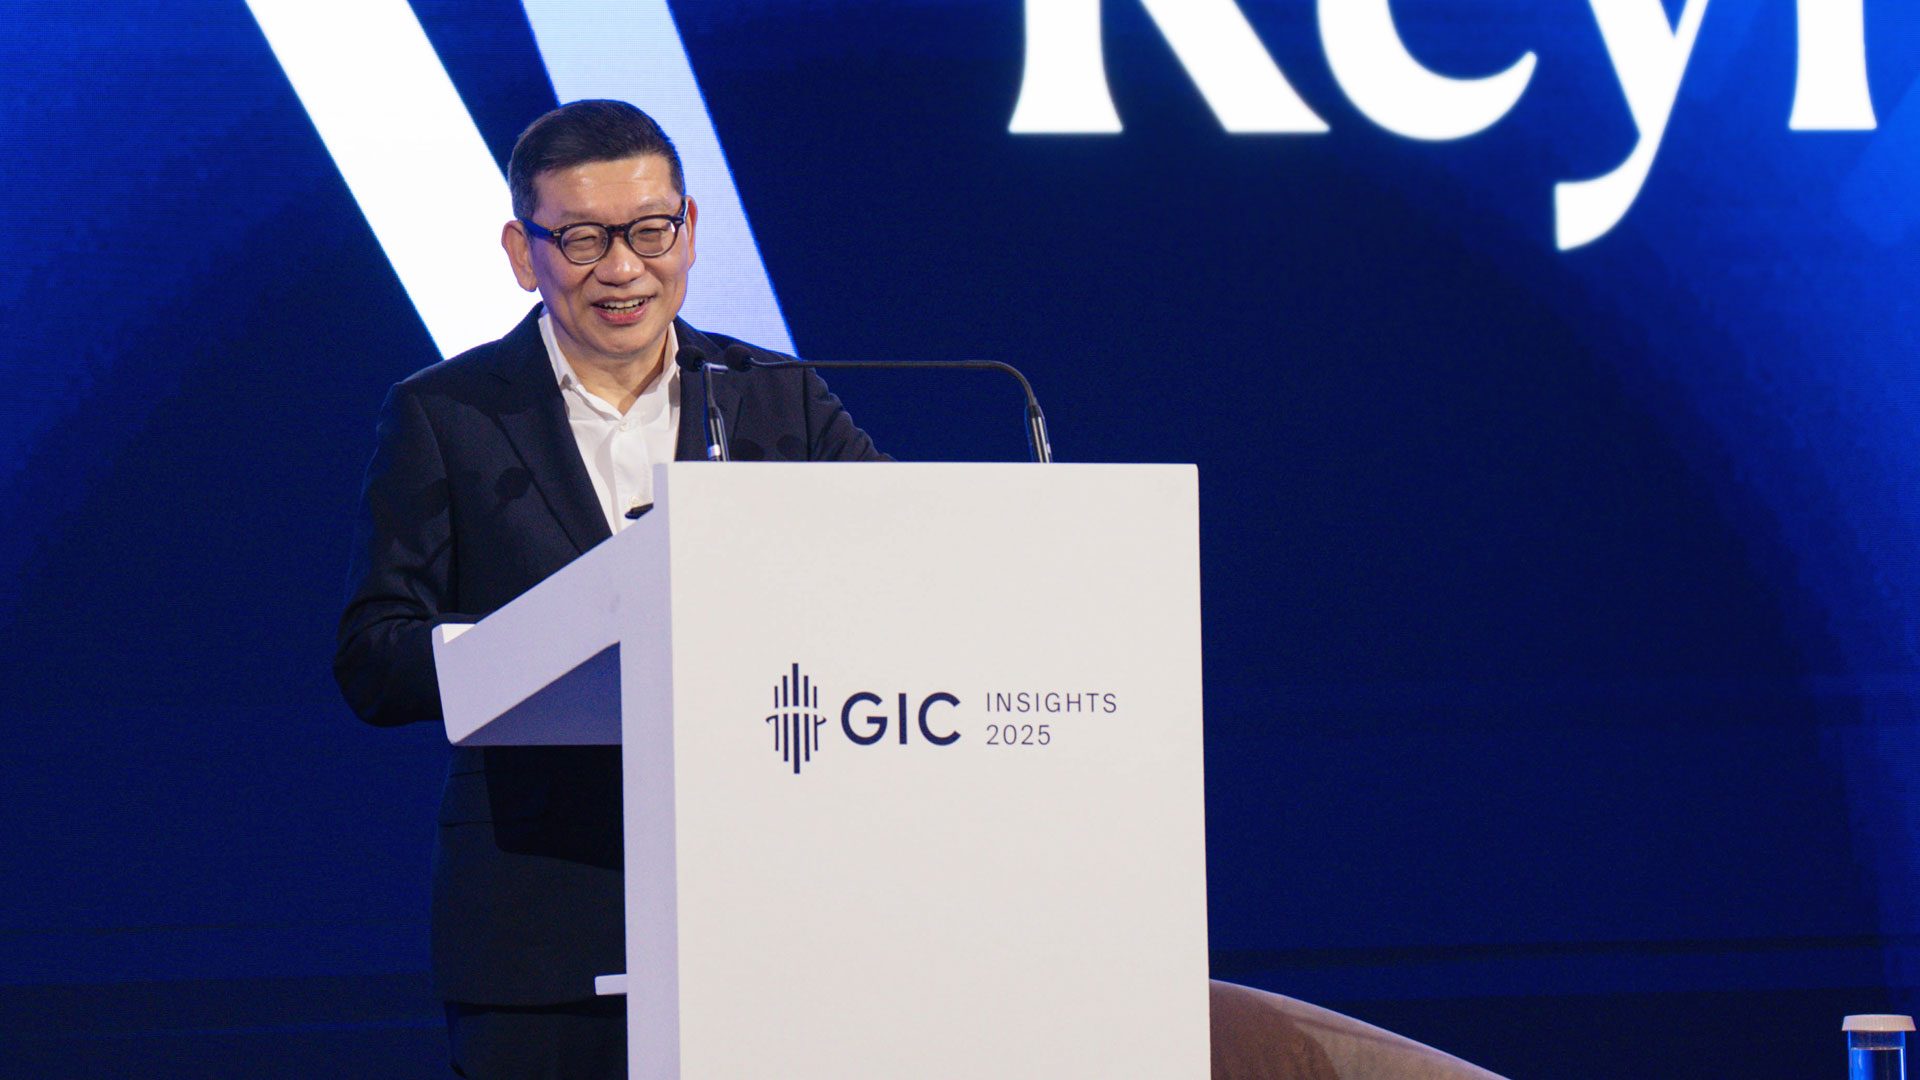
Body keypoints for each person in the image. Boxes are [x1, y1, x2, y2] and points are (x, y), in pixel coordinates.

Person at [334, 99, 883, 1078]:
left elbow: (901, 574)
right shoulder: (447, 414)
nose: (624, 268)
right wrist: (539, 642)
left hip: (767, 915)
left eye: (650, 231)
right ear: (523, 252)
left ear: (690, 229)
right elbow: (374, 658)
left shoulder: (778, 398)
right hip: (541, 923)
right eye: (583, 240)